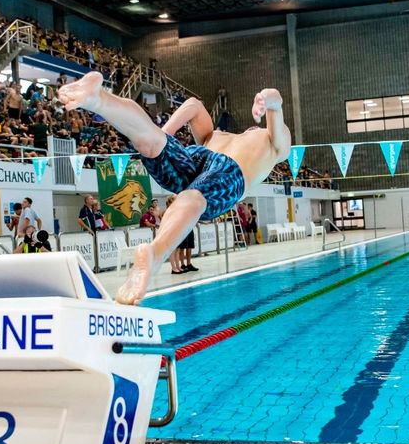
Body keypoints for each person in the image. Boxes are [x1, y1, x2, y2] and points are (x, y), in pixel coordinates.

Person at [58, 72, 290, 303]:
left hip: (232, 171)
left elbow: (276, 106)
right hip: (198, 156)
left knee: (193, 196)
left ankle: (154, 254)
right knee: (149, 143)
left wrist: (267, 99)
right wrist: (163, 135)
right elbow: (193, 105)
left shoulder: (271, 142)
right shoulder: (218, 134)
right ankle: (97, 98)